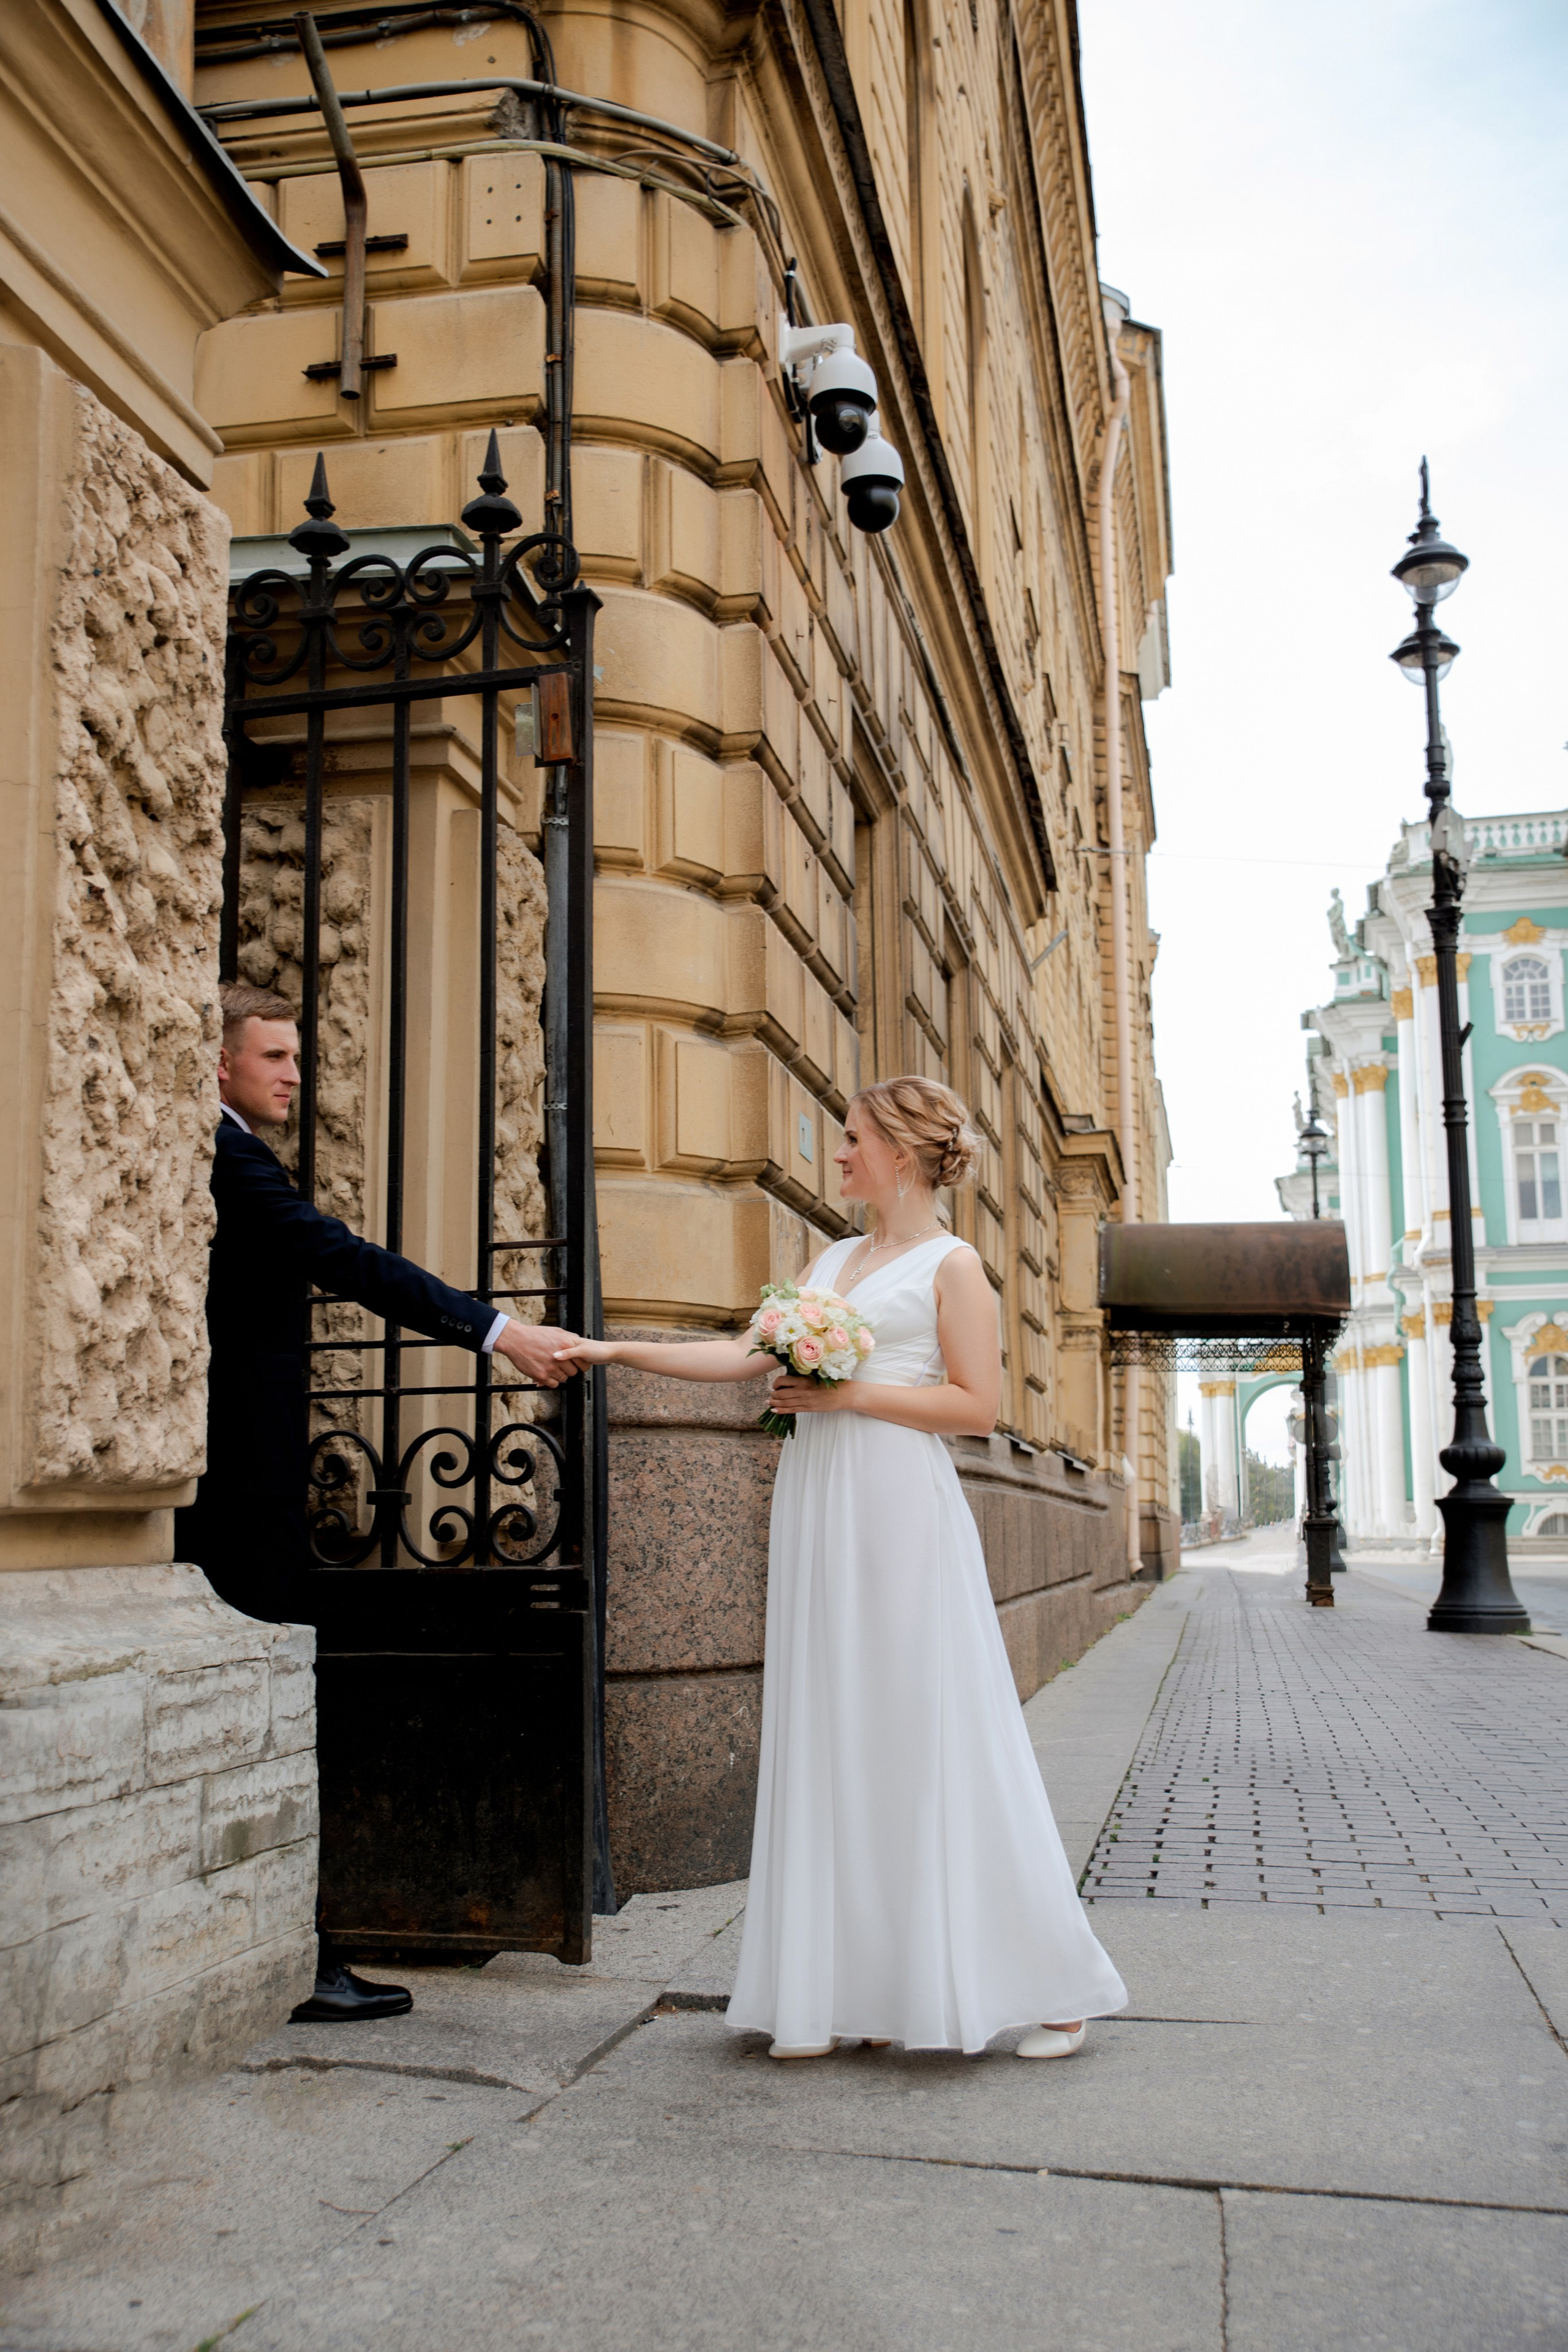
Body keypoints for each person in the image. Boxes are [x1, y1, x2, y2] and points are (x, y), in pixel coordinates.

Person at [556, 1076, 1127, 2060]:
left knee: (927, 1729)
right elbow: (745, 1357)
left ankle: (1055, 1986)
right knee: (839, 1730)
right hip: (820, 1502)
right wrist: (610, 1351)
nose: (841, 1151)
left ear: (900, 1153)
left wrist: (852, 1394)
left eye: (854, 1136)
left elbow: (977, 1407)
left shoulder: (955, 1267)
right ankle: (857, 1993)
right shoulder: (834, 1258)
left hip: (898, 1508)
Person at [176, 982, 579, 2023]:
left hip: (253, 1470)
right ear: (219, 1064)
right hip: (233, 1477)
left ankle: (291, 1945)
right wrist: (497, 1331)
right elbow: (345, 1261)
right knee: (256, 1709)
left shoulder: (236, 1151)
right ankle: (294, 1956)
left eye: (300, 1055)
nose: (294, 1073)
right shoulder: (223, 1155)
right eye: (273, 1055)